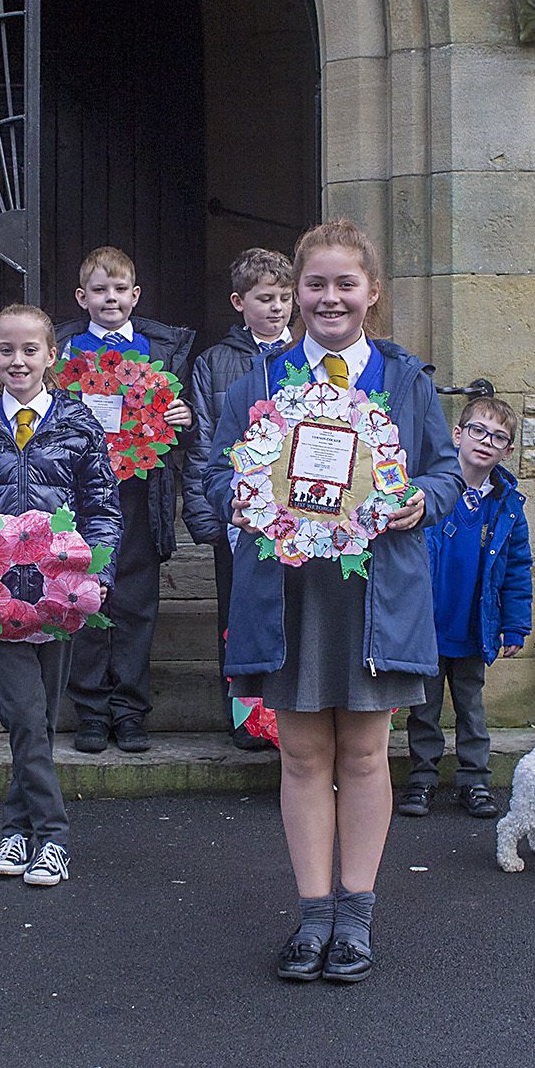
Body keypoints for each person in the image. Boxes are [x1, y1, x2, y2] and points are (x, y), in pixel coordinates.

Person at [204, 218, 460, 985]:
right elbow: (215, 478)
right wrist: (244, 498)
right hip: (289, 595)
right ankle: (312, 914)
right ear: (294, 294)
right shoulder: (258, 382)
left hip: (375, 594)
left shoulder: (405, 379)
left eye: (345, 283)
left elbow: (444, 474)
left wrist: (420, 499)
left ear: (371, 292)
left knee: (366, 751)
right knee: (306, 754)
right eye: (315, 283)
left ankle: (357, 915)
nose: (329, 297)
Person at [0, 304, 121, 887]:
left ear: (50, 356)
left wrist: (97, 579)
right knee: (24, 713)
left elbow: (102, 508)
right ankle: (55, 835)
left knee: (35, 720)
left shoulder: (79, 424)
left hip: (61, 600)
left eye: (29, 350)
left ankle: (17, 831)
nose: (17, 360)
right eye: (6, 350)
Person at [56, 246, 195, 754]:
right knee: (85, 597)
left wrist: (182, 420)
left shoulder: (162, 351)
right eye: (99, 290)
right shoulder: (63, 350)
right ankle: (91, 713)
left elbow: (185, 420)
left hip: (141, 494)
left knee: (136, 605)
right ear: (82, 297)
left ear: (135, 296)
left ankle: (131, 713)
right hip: (79, 496)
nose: (109, 298)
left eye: (119, 290)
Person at [396, 393, 532, 820]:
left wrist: (515, 626)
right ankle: (421, 778)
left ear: (507, 451)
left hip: (474, 627)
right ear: (457, 435)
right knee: (424, 709)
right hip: (426, 628)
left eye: (498, 437)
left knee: (472, 708)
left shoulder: (507, 506)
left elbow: (517, 570)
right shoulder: (427, 492)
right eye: (477, 430)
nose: (486, 442)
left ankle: (475, 780)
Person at [182, 247, 297, 750]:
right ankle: (245, 718)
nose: (276, 308)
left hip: (302, 509)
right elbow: (204, 442)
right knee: (238, 613)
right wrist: (210, 516)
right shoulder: (215, 362)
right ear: (238, 302)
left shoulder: (310, 355)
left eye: (284, 298)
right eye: (264, 298)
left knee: (293, 611)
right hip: (240, 516)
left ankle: (292, 711)